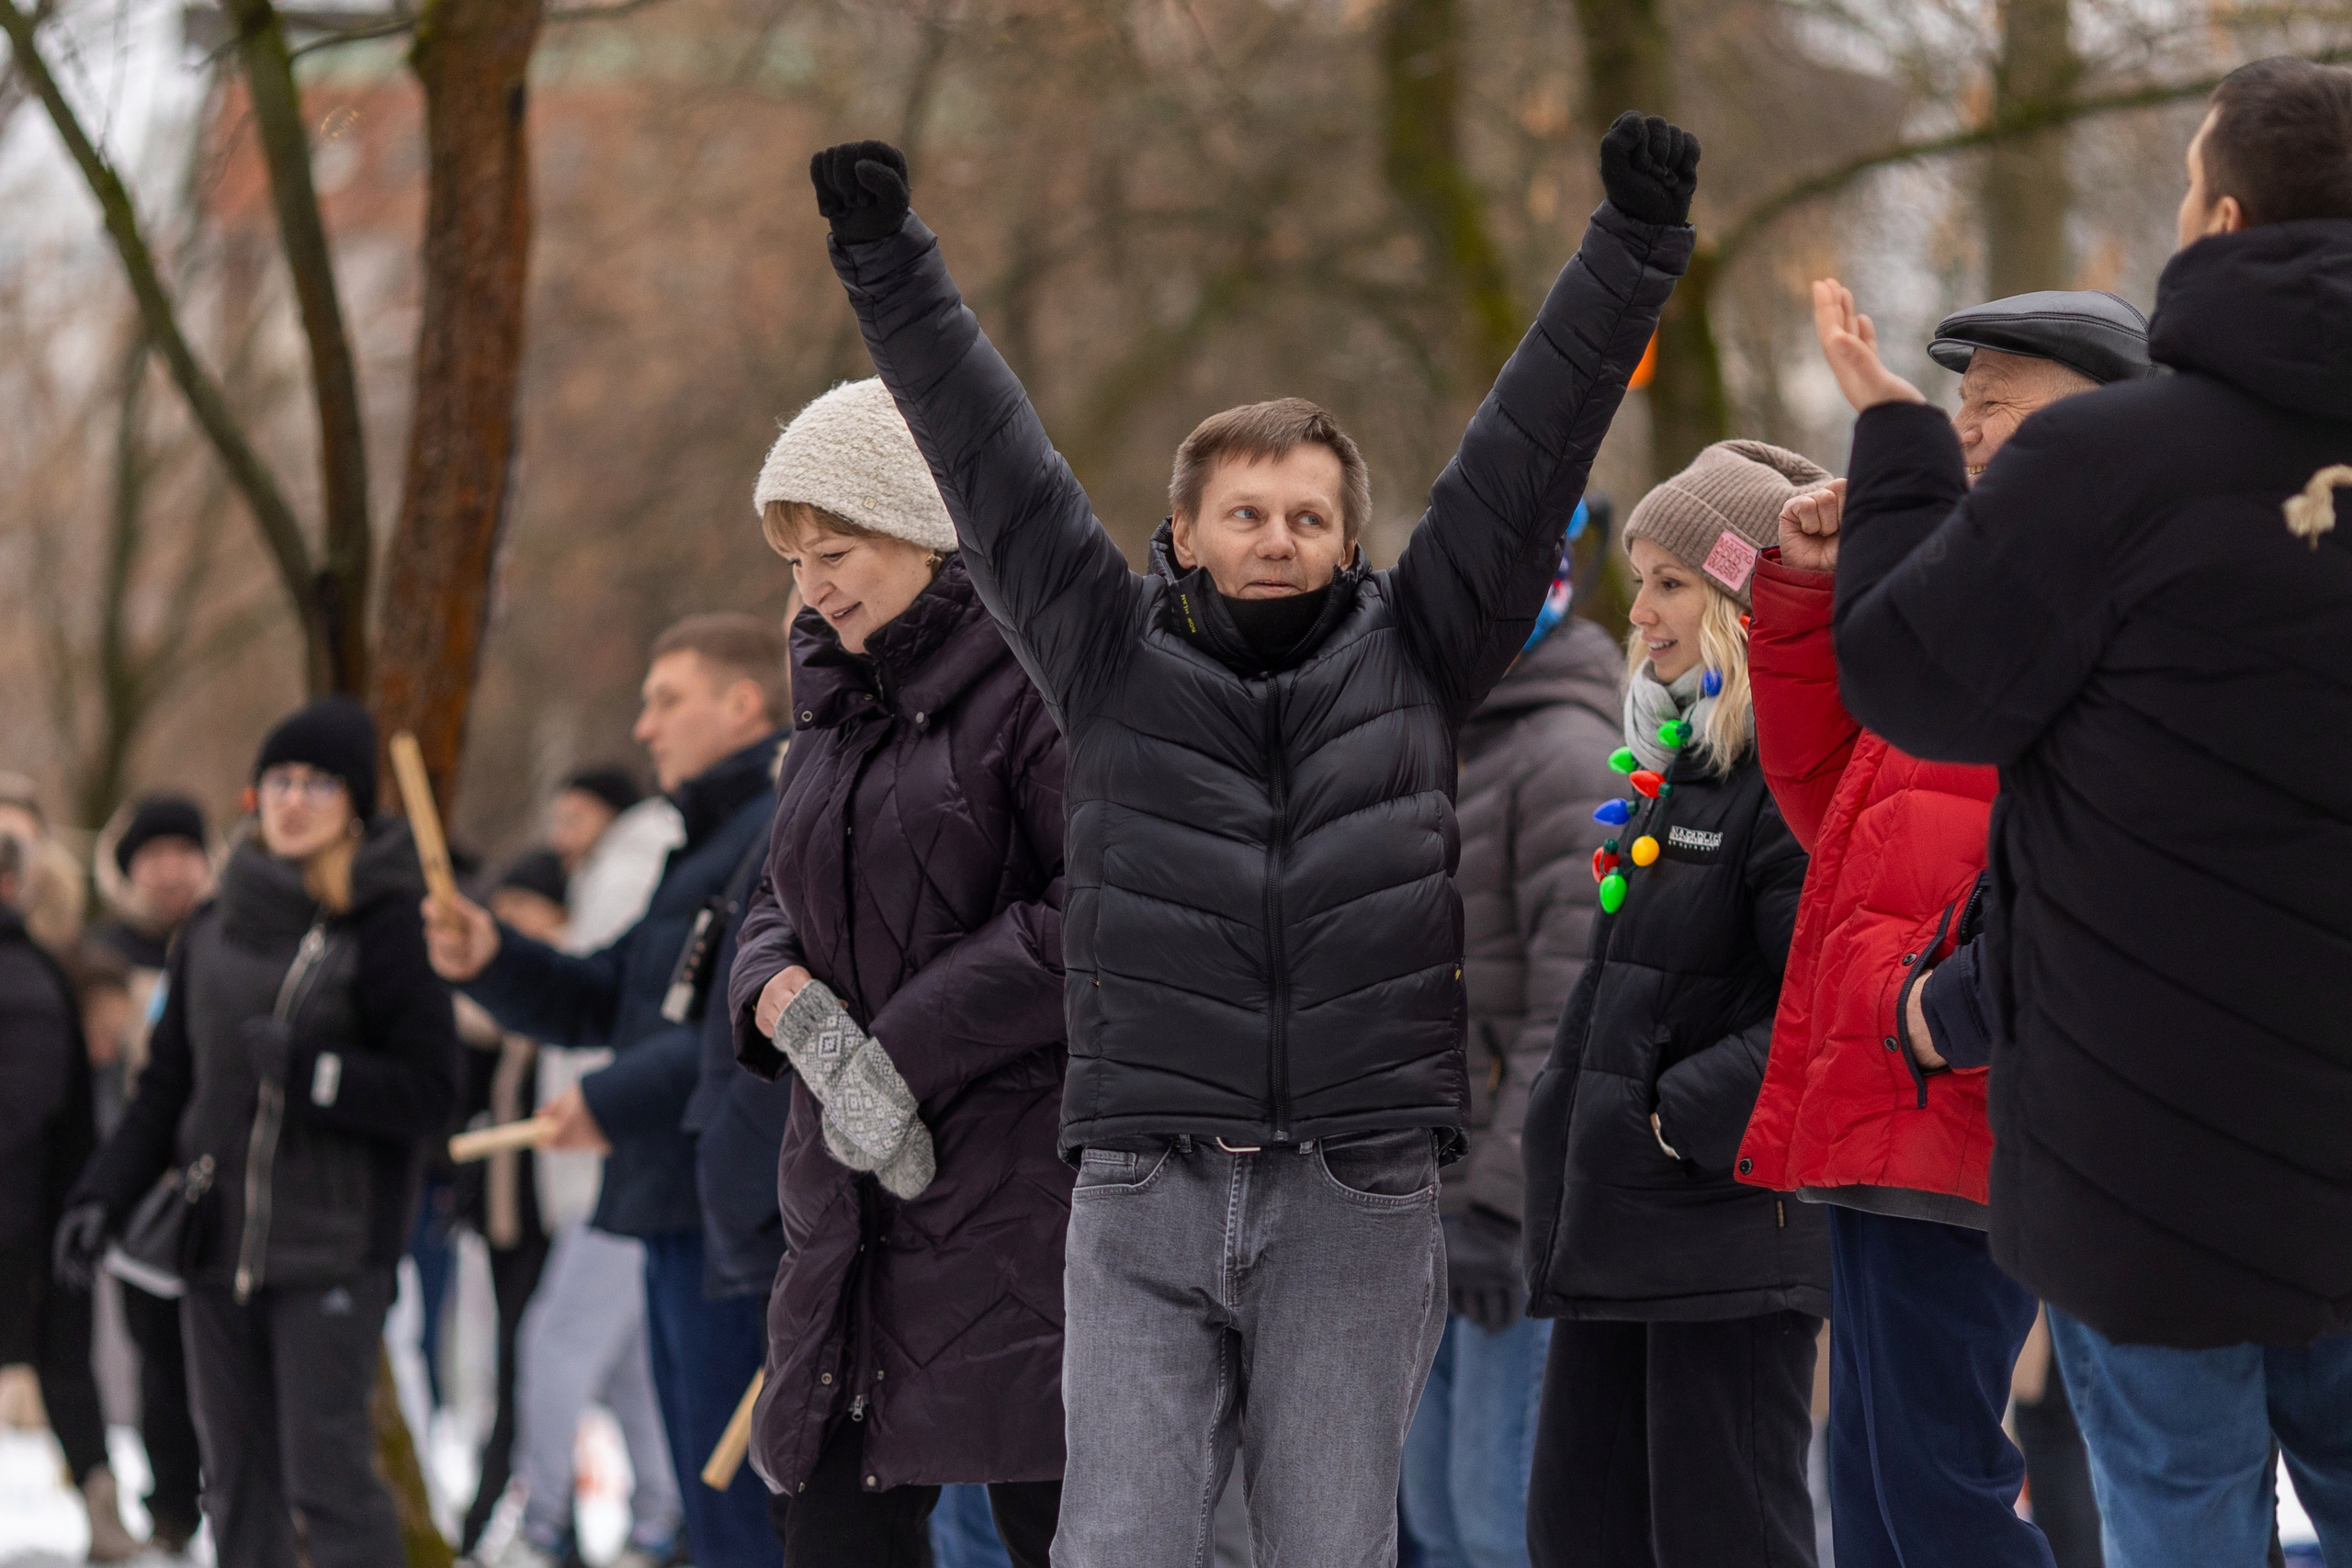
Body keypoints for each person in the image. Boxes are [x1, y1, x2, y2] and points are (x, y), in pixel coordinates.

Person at [803, 108, 1698, 1566]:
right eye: (1244, 510)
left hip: (1353, 1187)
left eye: (1305, 513)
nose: (1276, 534)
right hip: (1147, 1182)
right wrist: (887, 261)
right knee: (1126, 1546)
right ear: (1183, 530)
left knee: (1327, 1549)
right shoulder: (1104, 652)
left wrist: (1630, 250)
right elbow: (990, 456)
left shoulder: (1422, 651)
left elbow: (1531, 446)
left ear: (1351, 542)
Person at [1807, 54, 2352, 1568]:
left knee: (2183, 1525)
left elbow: (1914, 680)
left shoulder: (2106, 464)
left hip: (2145, 1153)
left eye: (2183, 190)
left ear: (2226, 216)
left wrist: (1907, 453)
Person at [1736, 289, 2153, 1568]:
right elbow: (1831, 809)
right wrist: (1807, 600)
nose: (1967, 427)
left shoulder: (2094, 591)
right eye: (1962, 403)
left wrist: (1937, 1011)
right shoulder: (1965, 589)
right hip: (1881, 1092)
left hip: (1968, 1093)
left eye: (1998, 403)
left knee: (1940, 1494)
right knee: (1869, 1491)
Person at [725, 377, 1070, 1567]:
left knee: (1060, 1522)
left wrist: (899, 1046)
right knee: (829, 1529)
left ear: (924, 529)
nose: (812, 583)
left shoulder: (1042, 686)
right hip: (848, 1207)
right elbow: (774, 895)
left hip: (1021, 1201)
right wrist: (783, 1001)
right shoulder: (829, 703)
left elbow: (1098, 914)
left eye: (836, 548)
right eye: (793, 560)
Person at [53, 696, 463, 1568]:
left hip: (335, 1249)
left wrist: (322, 1074)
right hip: (217, 1247)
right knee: (235, 1479)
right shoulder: (213, 923)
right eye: (279, 780)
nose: (294, 799)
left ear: (354, 801)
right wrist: (100, 1194)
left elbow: (434, 1092)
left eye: (318, 782)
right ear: (255, 795)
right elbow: (166, 1086)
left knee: (327, 1476)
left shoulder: (387, 922)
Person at [426, 616, 788, 1568]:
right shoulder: (697, 847)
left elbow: (737, 1031)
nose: (644, 727)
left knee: (740, 1505)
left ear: (742, 703)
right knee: (704, 1503)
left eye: (666, 699)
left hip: (737, 1217)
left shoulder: (769, 833)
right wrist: (491, 957)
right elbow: (606, 995)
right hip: (673, 1205)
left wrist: (610, 1102)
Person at [1519, 442, 1825, 1568]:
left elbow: (1819, 1006)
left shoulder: (1786, 781)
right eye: (1640, 576)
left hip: (1722, 1237)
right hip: (1617, 1225)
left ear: (1743, 603)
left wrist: (1673, 1115)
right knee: (1579, 1536)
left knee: (1723, 1535)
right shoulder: (1677, 761)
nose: (1637, 610)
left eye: (1670, 583)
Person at [1402, 510, 1623, 1568]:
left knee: (1501, 1527)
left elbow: (1570, 1007)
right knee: (1435, 1524)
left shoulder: (1569, 755)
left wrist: (1499, 1205)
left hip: (1512, 1221)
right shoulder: (1440, 739)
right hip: (1418, 1211)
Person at [0, 832, 141, 1561]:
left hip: (32, 1224)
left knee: (65, 1375)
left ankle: (104, 1514)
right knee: (65, 1372)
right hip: (36, 1223)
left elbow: (21, 1105)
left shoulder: (21, 978)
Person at [84, 793, 214, 1552]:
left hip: (221, 1181)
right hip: (142, 1192)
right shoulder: (102, 956)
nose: (170, 870)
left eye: (183, 851)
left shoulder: (236, 937)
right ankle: (172, 1503)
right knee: (157, 1358)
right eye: (153, 855)